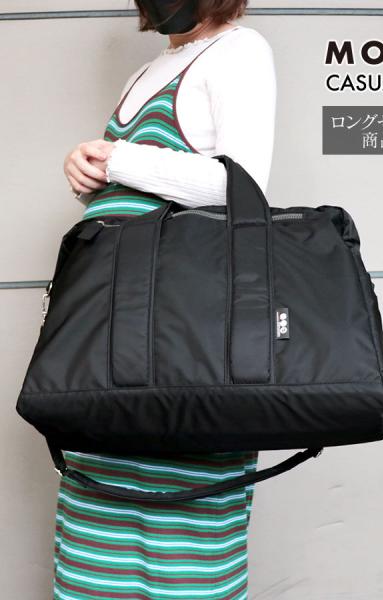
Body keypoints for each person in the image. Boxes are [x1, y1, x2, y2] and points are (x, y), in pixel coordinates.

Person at [57, 1, 276, 598]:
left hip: (186, 336)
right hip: (114, 329)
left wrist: (117, 158)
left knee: (184, 535)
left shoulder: (239, 50)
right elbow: (142, 198)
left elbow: (241, 186)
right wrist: (87, 171)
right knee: (95, 522)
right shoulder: (145, 71)